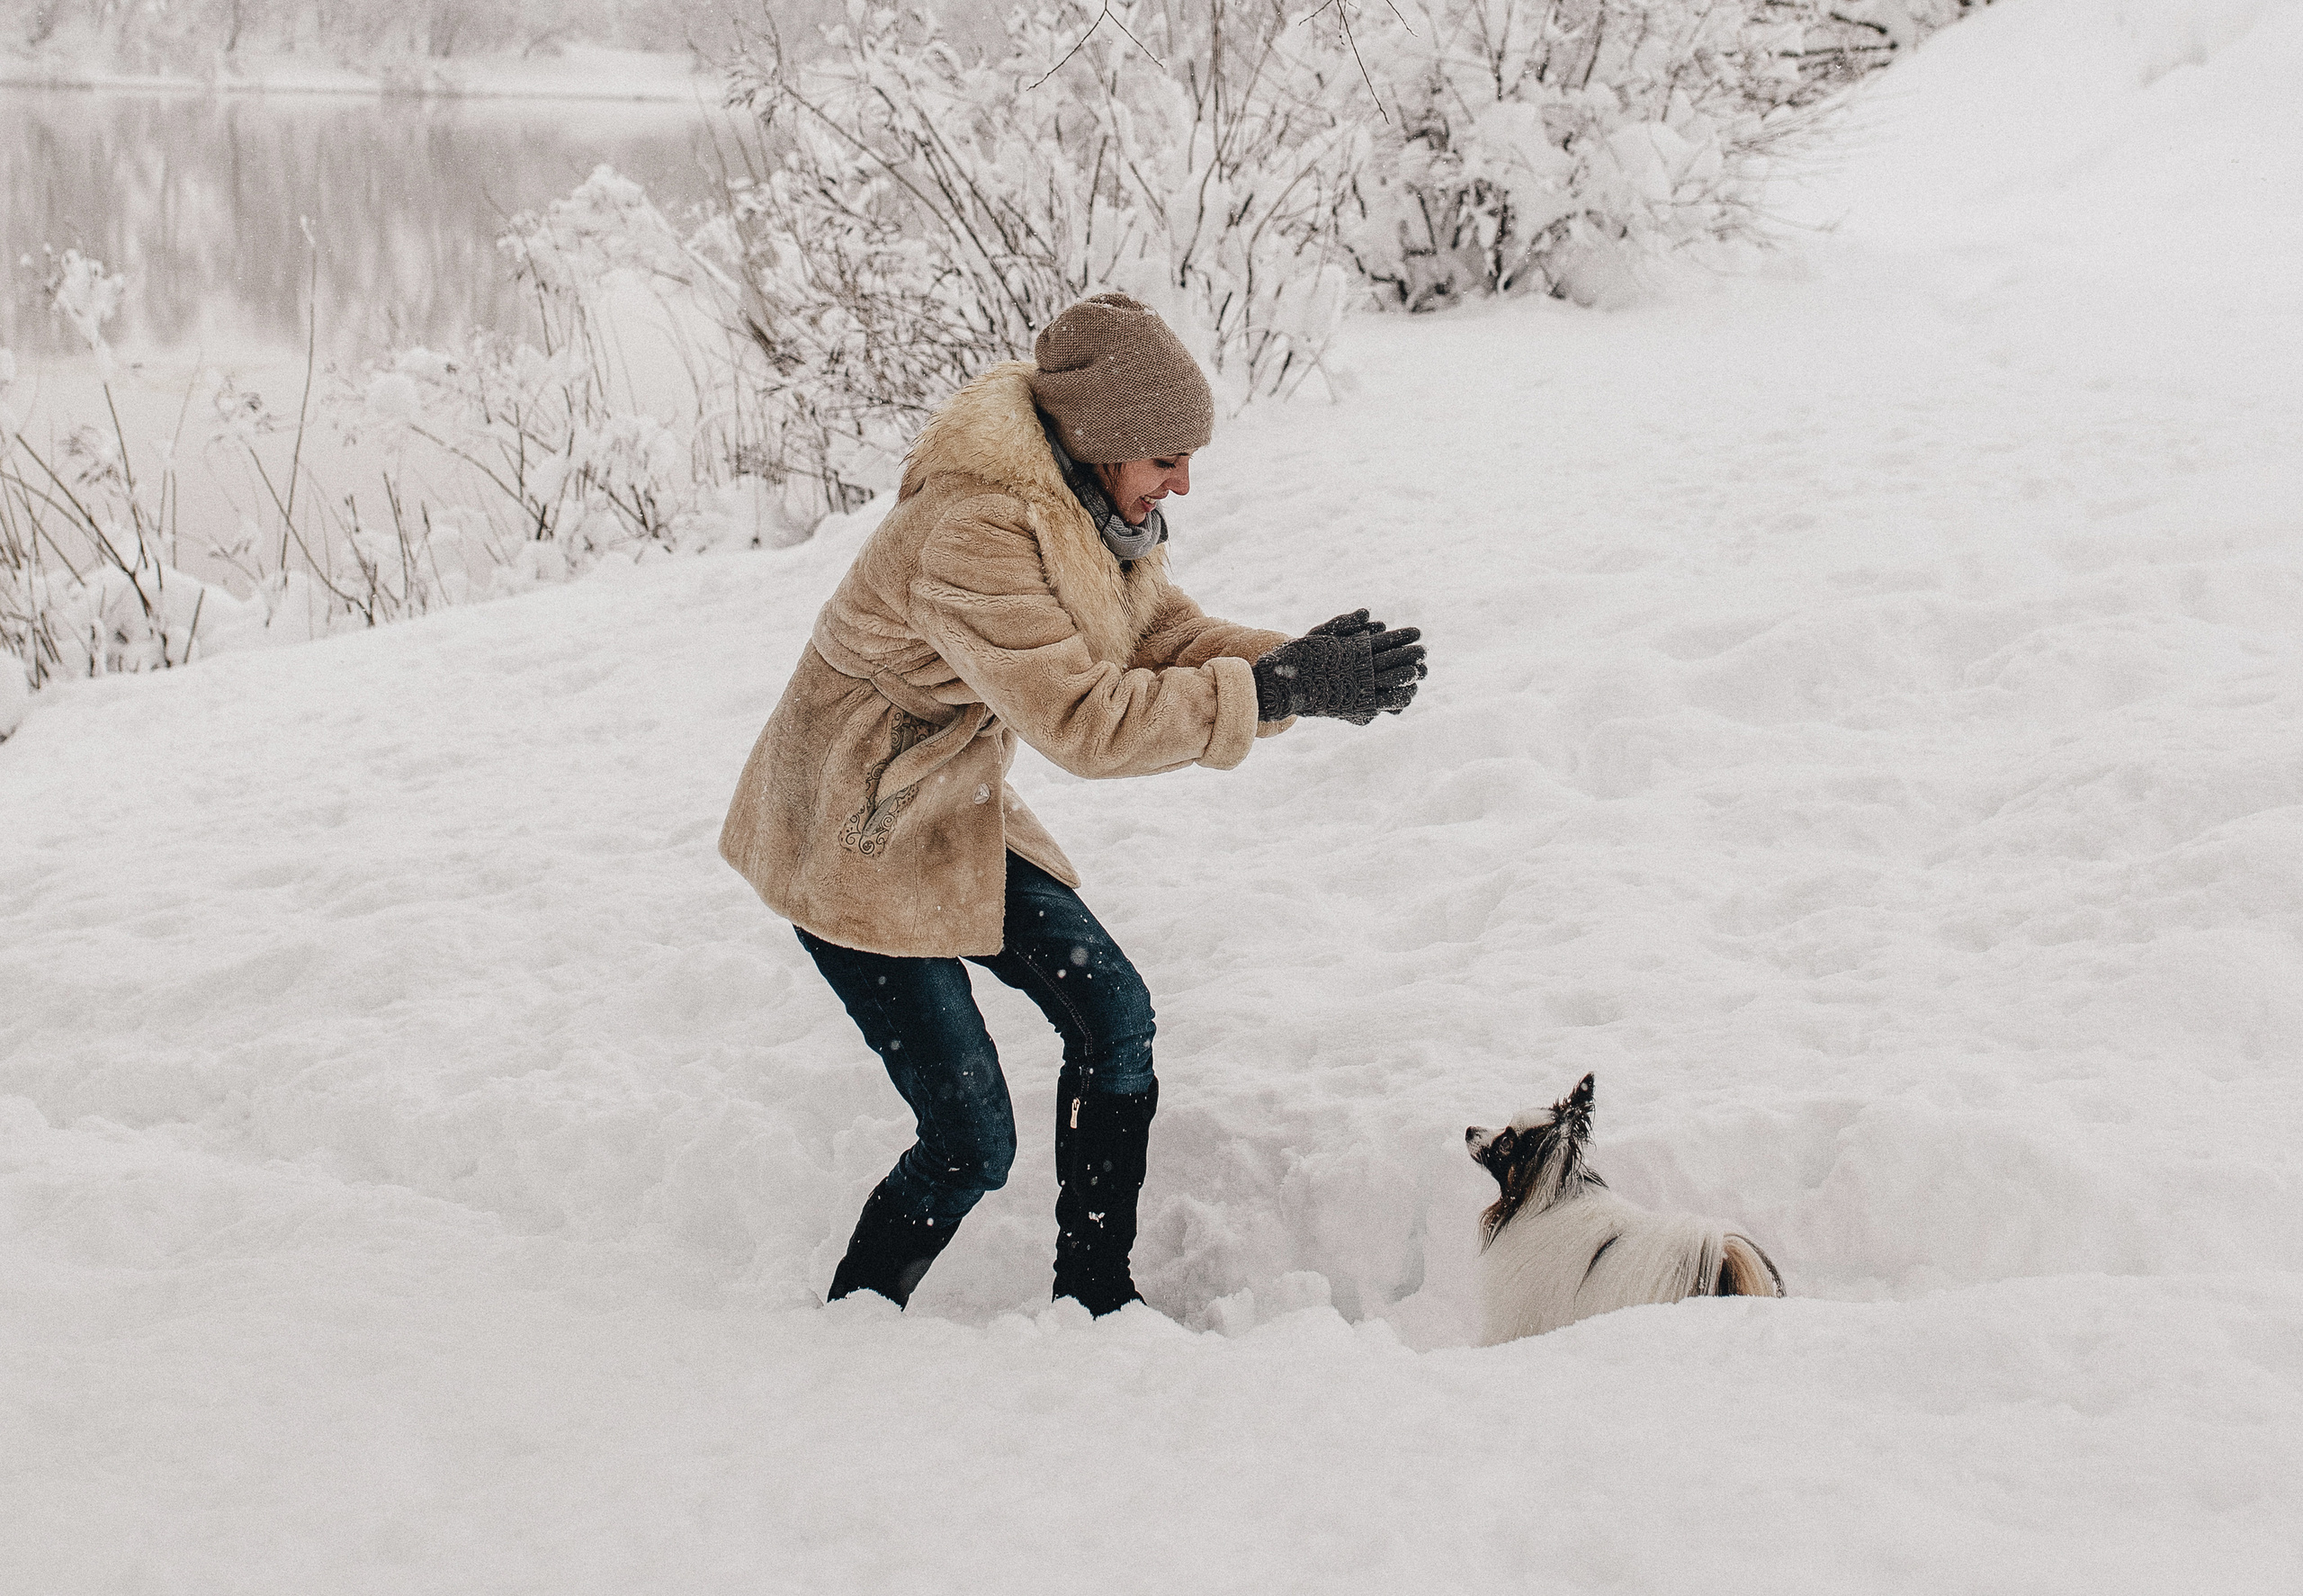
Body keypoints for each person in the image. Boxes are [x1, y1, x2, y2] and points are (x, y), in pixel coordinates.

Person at [719, 292, 1427, 1314]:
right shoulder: (974, 531)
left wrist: (1301, 666)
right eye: (1165, 458)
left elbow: (1160, 640)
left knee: (1115, 1017)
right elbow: (1086, 720)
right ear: (1101, 443)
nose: (1182, 480)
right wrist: (1278, 693)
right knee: (970, 1141)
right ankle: (855, 1319)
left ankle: (1093, 1292)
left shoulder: (1090, 507)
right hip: (849, 834)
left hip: (949, 806)